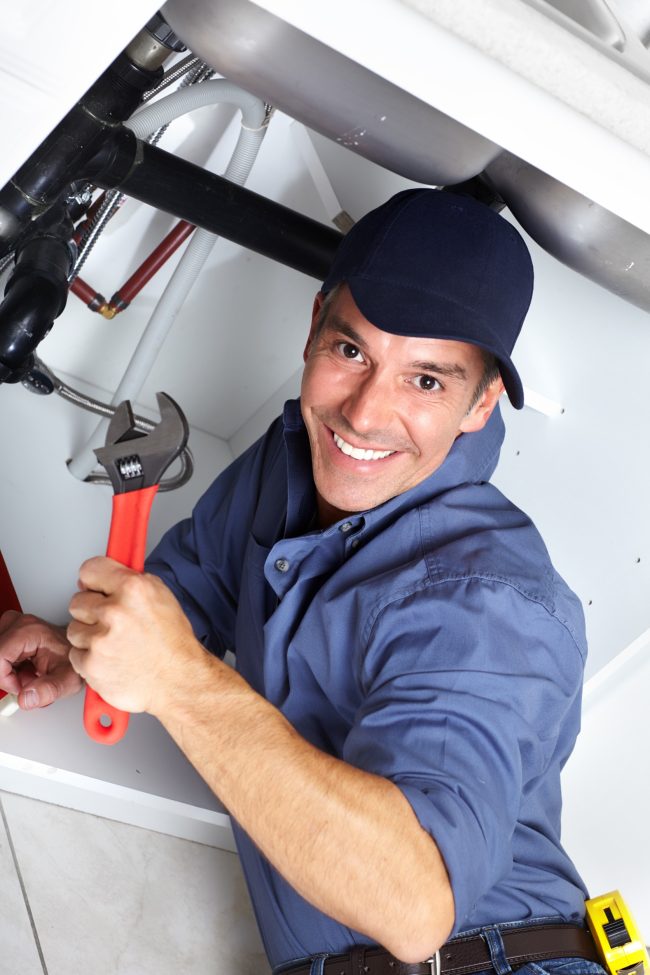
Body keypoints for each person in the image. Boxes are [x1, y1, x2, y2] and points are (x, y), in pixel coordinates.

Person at [0, 190, 604, 975]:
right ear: (314, 324)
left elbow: (413, 903)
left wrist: (179, 681)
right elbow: (193, 590)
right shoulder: (292, 460)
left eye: (426, 381)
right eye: (351, 352)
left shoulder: (490, 603)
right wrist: (81, 649)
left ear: (481, 403)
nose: (363, 414)